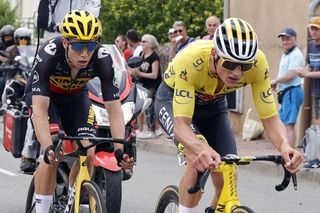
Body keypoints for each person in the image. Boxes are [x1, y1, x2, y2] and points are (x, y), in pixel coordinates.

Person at [155, 18, 303, 213]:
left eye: (245, 66)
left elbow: (270, 118)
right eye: (231, 64)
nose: (238, 73)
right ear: (215, 54)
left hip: (214, 104)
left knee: (229, 167)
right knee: (197, 159)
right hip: (173, 100)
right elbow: (182, 125)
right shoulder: (190, 60)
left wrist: (284, 146)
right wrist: (200, 147)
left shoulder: (258, 63)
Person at [25, 10, 133, 212]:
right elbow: (39, 111)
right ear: (66, 43)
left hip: (76, 97)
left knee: (89, 151)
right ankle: (42, 208)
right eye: (78, 46)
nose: (85, 53)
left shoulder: (102, 58)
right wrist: (48, 144)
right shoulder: (49, 55)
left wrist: (119, 147)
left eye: (91, 45)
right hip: (46, 98)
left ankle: (71, 199)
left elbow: (114, 109)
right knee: (52, 154)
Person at [270, 28, 304, 148]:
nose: (285, 42)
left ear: (295, 39)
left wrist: (275, 81)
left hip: (292, 91)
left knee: (289, 125)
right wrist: (278, 83)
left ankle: (290, 154)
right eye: (283, 39)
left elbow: (291, 75)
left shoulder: (296, 54)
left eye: (288, 39)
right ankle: (286, 152)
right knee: (284, 123)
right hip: (286, 92)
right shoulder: (287, 54)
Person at [130, 34, 163, 138]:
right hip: (144, 85)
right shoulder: (142, 55)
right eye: (141, 41)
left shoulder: (154, 57)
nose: (141, 43)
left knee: (151, 109)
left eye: (144, 41)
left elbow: (154, 75)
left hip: (153, 86)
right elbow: (140, 69)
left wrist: (140, 74)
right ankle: (143, 130)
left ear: (150, 44)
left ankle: (151, 130)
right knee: (142, 107)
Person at [297, 16, 320, 126]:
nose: (314, 32)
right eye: (312, 29)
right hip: (315, 90)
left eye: (317, 29)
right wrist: (302, 72)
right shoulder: (311, 45)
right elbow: (310, 65)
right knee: (318, 119)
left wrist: (307, 74)